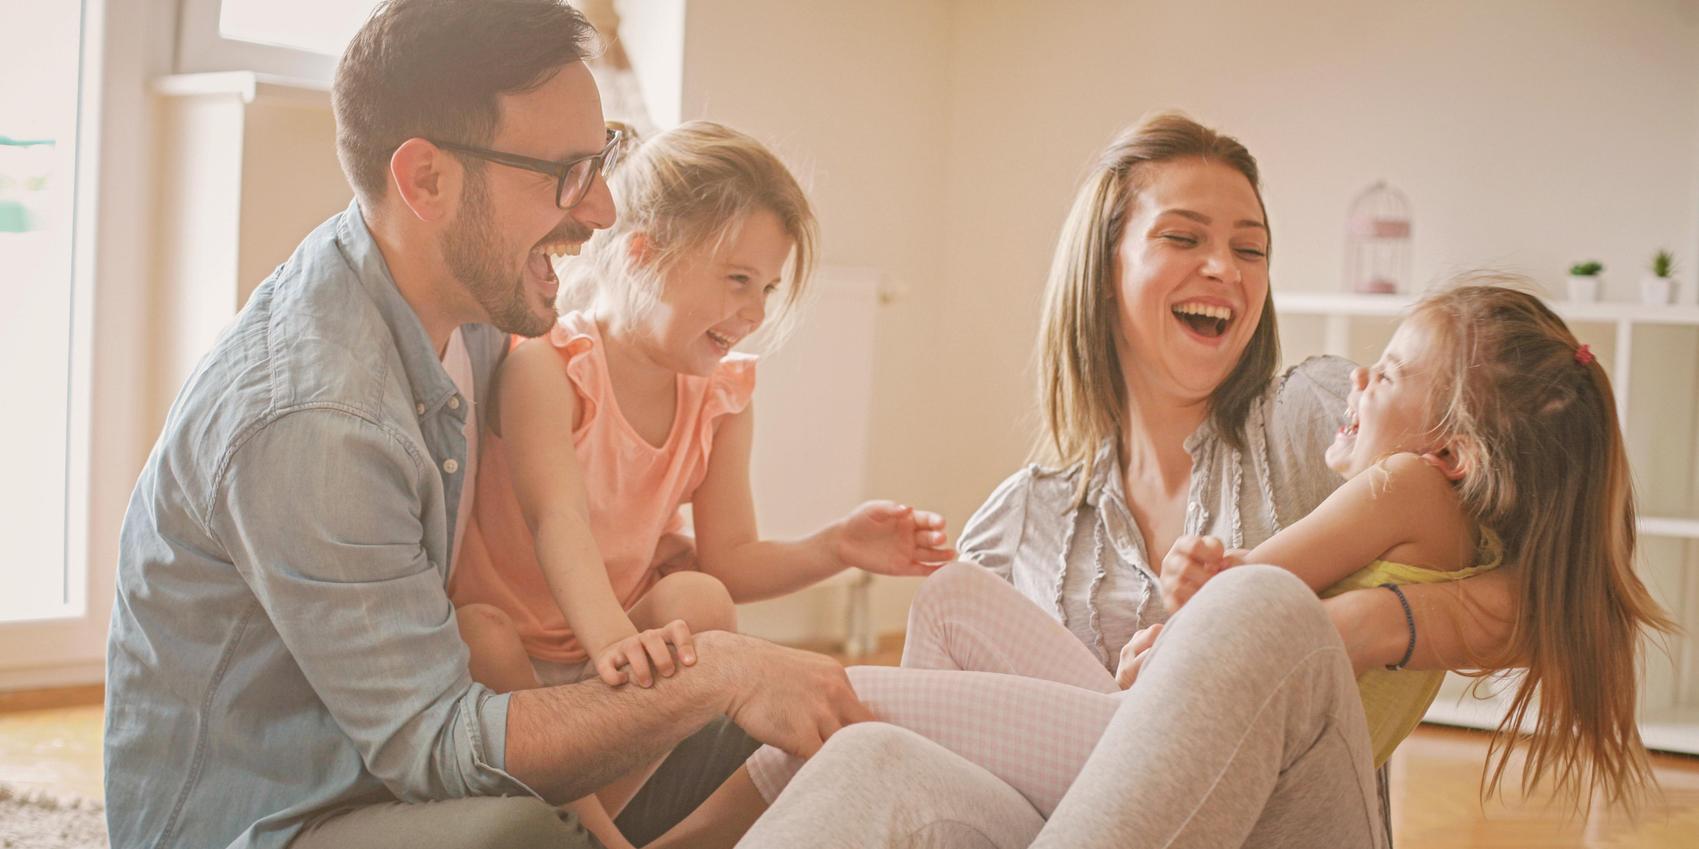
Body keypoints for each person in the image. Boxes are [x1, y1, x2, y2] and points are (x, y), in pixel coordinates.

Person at [102, 4, 867, 848]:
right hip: (290, 811)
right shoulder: (317, 421)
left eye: (602, 155)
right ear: (426, 181)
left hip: (393, 759)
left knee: (773, 739)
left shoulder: (466, 304)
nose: (605, 210)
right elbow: (435, 744)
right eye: (566, 171)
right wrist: (712, 673)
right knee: (515, 833)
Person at [724, 113, 1533, 848]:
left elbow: (1547, 592)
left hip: (1279, 819)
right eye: (1183, 238)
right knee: (881, 745)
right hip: (1081, 817)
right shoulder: (1018, 519)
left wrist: (1362, 621)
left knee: (1249, 611)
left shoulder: (1320, 417)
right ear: (1103, 266)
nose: (1223, 266)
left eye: (1249, 248)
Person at [706, 281, 1673, 848]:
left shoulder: (1403, 488)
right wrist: (1198, 610)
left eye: (1390, 373)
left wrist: (1187, 608)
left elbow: (1258, 593)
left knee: (838, 703)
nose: (1359, 378)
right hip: (1159, 731)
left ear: (1451, 453)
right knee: (954, 595)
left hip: (1188, 756)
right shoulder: (1483, 550)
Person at [446, 120, 954, 848]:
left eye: (769, 289)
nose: (754, 313)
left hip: (610, 653)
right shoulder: (551, 367)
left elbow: (730, 559)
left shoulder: (717, 397)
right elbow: (557, 518)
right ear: (644, 255)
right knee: (476, 631)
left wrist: (838, 544)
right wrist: (615, 643)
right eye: (737, 280)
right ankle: (589, 832)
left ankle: (607, 819)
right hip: (518, 656)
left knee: (699, 596)